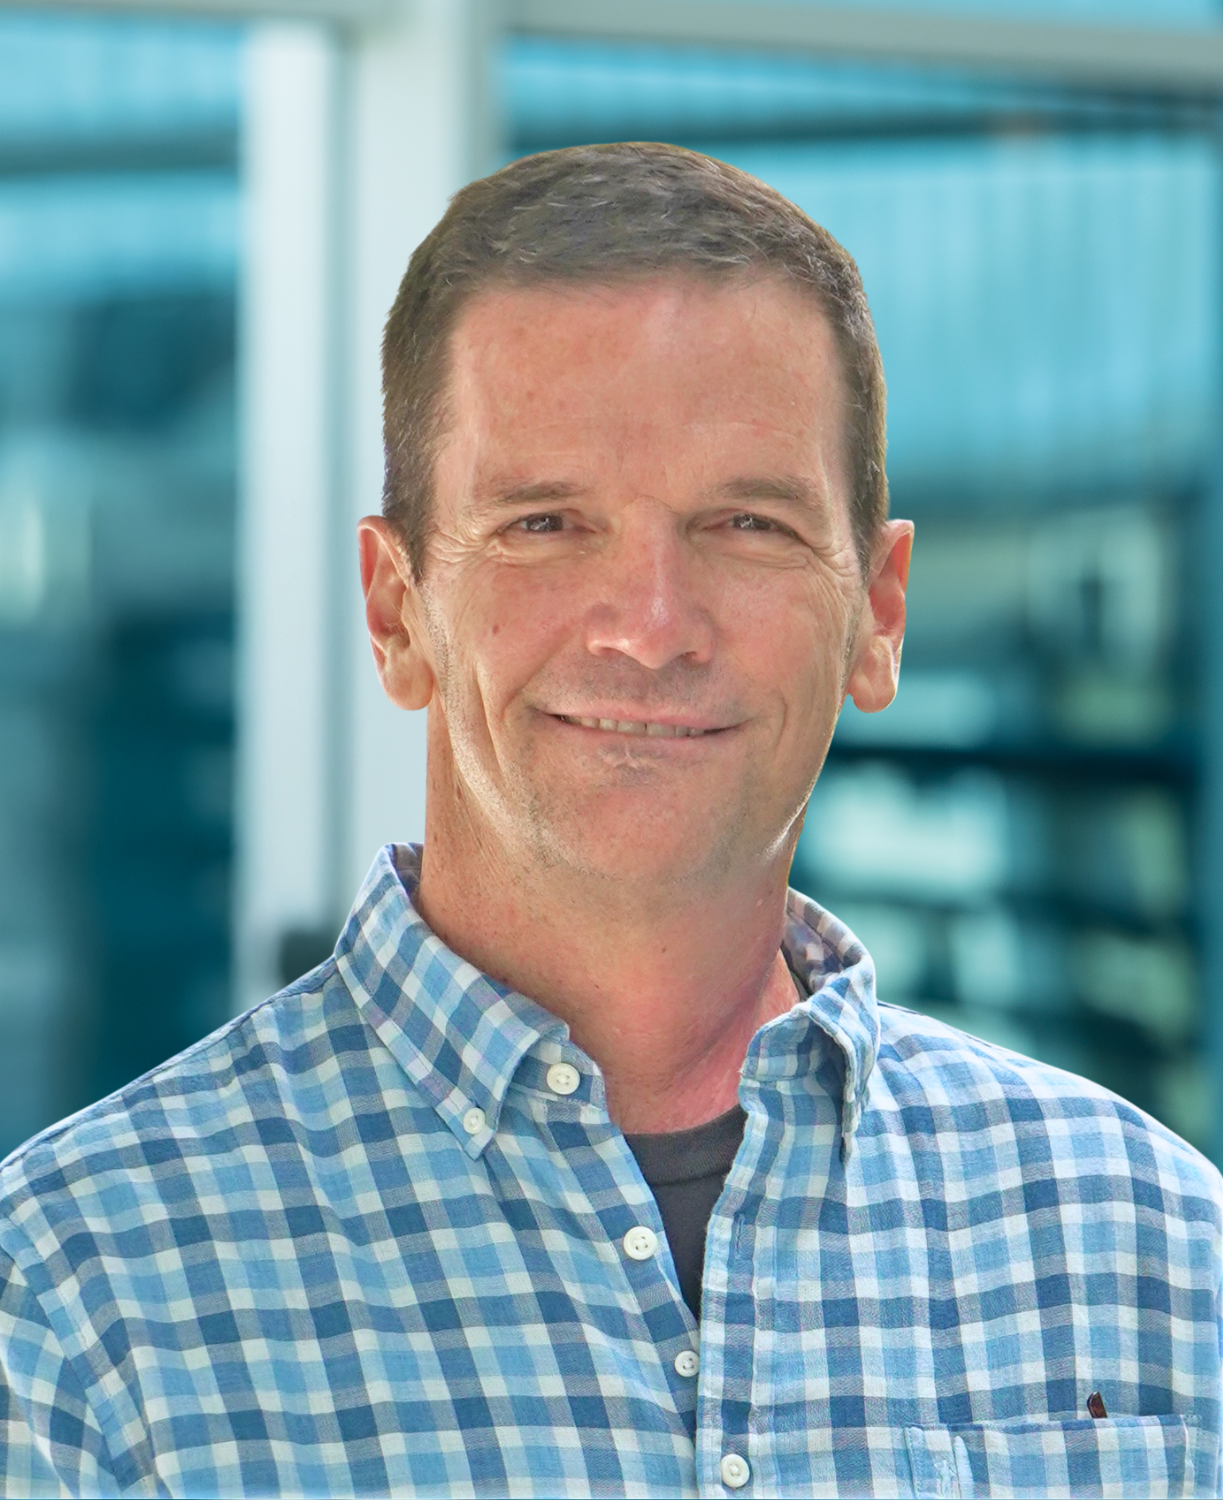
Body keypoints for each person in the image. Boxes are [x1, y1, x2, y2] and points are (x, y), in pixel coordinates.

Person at [0, 142, 1219, 1500]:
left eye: (745, 524)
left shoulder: (1149, 1253)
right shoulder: (76, 1305)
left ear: (877, 614)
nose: (648, 628)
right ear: (396, 608)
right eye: (544, 525)